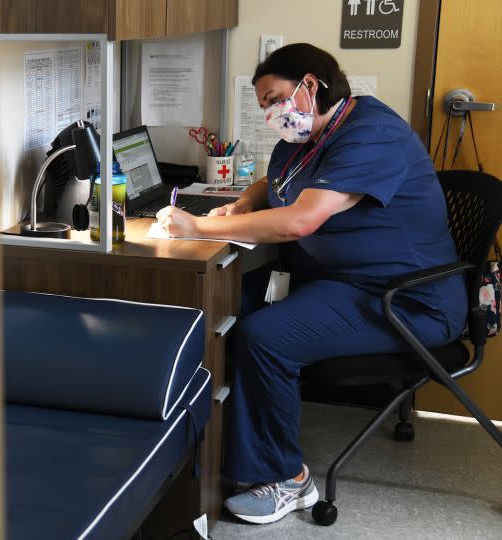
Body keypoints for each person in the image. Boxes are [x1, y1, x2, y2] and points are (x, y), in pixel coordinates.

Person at [157, 43, 467, 524]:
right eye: (263, 106)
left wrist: (200, 228)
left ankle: (286, 478)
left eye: (275, 98)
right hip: (342, 280)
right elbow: (277, 179)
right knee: (220, 301)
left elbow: (299, 222)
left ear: (310, 85)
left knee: (265, 336)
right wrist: (242, 206)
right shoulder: (316, 132)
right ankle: (198, 453)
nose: (271, 114)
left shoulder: (372, 134)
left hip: (405, 300)